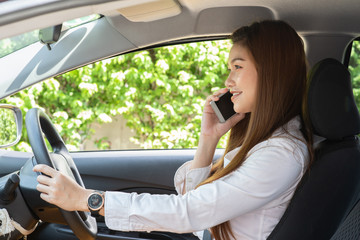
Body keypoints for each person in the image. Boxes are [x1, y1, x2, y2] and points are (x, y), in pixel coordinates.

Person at [33, 20, 313, 240]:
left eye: (237, 67)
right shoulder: (265, 142)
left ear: (271, 73)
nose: (228, 81)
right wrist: (209, 138)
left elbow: (189, 213)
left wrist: (87, 199)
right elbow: (195, 204)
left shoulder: (281, 153)